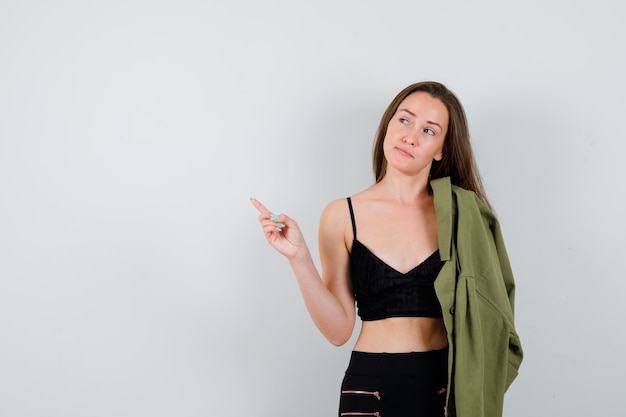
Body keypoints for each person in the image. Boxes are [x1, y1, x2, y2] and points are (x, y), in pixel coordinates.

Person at [251, 81, 522, 417]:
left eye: (429, 130)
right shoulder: (340, 215)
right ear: (388, 125)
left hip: (445, 389)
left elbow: (495, 317)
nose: (410, 136)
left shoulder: (463, 215)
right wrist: (299, 258)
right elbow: (338, 332)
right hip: (369, 386)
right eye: (405, 120)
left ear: (442, 150)